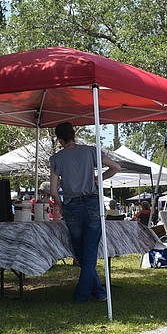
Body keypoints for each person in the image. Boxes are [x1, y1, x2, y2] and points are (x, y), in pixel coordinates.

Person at [49, 122, 121, 303]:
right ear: (74, 134)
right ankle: (98, 291)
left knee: (82, 253)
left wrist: (62, 207)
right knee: (88, 252)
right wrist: (99, 178)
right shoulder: (90, 151)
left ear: (59, 139)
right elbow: (116, 167)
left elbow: (53, 191)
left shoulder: (57, 158)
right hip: (91, 203)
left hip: (72, 205)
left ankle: (82, 294)